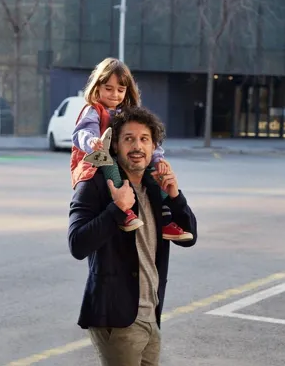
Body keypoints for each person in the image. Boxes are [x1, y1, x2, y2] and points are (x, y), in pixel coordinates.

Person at [68, 106, 198, 366]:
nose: (137, 146)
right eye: (128, 139)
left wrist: (175, 196)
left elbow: (190, 236)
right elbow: (77, 244)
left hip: (151, 314)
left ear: (153, 148)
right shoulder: (95, 185)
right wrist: (117, 209)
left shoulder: (154, 186)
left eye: (144, 139)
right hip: (117, 318)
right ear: (114, 145)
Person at [70, 57, 192, 242]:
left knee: (157, 175)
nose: (114, 95)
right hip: (98, 160)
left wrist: (158, 161)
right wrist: (92, 141)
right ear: (97, 88)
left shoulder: (128, 113)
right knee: (110, 166)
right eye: (108, 89)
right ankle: (125, 211)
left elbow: (151, 142)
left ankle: (166, 219)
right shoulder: (94, 111)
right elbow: (82, 132)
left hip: (121, 162)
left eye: (120, 90)